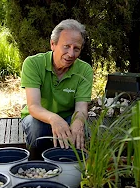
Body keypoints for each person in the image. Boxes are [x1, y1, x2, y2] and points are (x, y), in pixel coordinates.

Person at [20, 19, 93, 159]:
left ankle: (74, 169)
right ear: (53, 44)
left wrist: (77, 122)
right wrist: (54, 119)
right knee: (37, 129)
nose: (71, 54)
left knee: (85, 131)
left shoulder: (85, 70)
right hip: (38, 117)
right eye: (66, 46)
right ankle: (37, 165)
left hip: (67, 117)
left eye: (76, 48)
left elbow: (81, 109)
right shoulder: (33, 63)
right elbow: (33, 106)